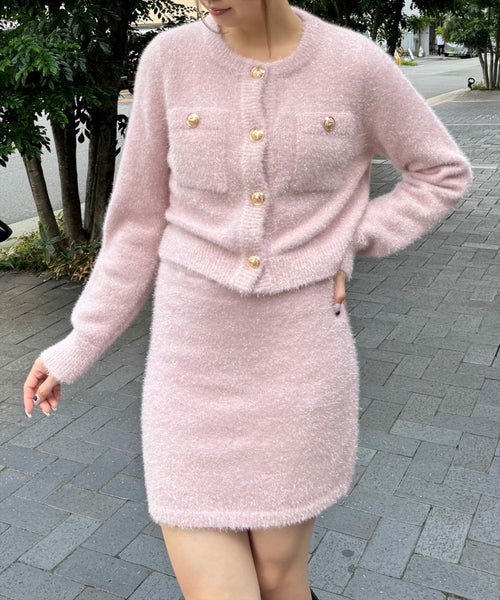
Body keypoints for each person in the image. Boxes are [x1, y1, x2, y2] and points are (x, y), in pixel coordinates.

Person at [23, 1, 472, 599]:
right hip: (190, 367)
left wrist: (353, 238)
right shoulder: (169, 60)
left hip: (300, 364)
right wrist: (77, 344)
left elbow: (442, 171)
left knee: (280, 580)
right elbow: (135, 226)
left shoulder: (354, 64)